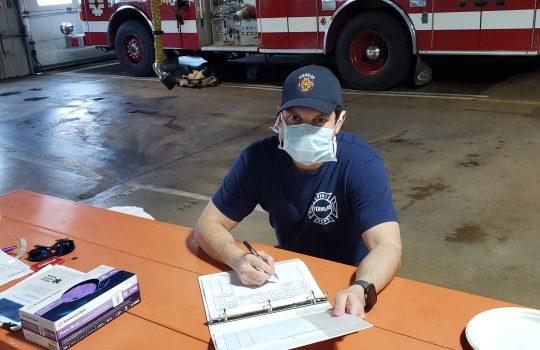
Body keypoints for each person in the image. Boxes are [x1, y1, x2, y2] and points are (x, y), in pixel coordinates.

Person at [194, 65, 402, 319]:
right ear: (279, 117)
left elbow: (388, 245)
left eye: (319, 120)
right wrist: (236, 259)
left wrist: (361, 289)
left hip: (351, 276)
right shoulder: (258, 160)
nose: (306, 131)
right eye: (294, 118)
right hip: (287, 274)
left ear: (339, 122)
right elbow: (207, 224)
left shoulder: (361, 164)